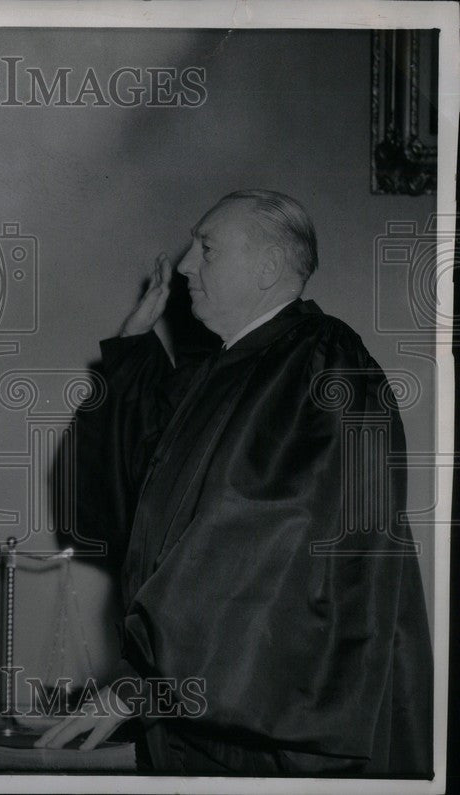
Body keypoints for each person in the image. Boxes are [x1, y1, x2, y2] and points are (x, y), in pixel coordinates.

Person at [38, 190, 433, 776]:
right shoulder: (232, 368)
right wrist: (130, 353)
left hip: (284, 723)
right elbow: (134, 499)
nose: (187, 265)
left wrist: (151, 684)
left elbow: (266, 544)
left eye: (207, 248)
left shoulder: (323, 363)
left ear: (269, 268)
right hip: (211, 709)